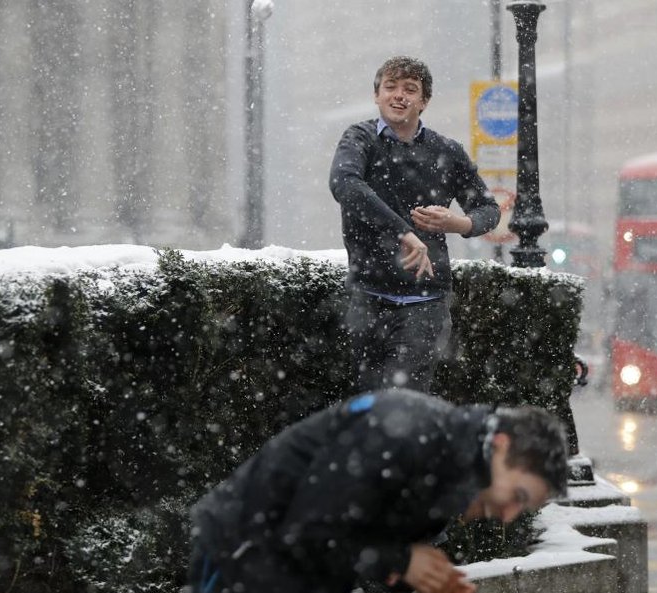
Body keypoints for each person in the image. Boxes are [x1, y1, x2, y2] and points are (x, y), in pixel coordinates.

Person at [189, 388, 569, 593]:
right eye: (518, 496)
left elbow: (365, 548)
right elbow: (310, 531)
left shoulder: (452, 470)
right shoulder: (406, 434)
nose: (509, 515)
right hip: (240, 550)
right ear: (500, 445)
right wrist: (402, 562)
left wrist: (421, 578)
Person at [329, 56, 502, 394]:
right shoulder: (359, 139)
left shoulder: (446, 151)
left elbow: (488, 209)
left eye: (410, 89)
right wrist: (404, 232)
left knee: (403, 401)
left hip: (424, 302)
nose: (399, 95)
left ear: (424, 101)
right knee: (365, 401)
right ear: (377, 95)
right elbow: (344, 184)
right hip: (366, 296)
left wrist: (458, 223)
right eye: (390, 87)